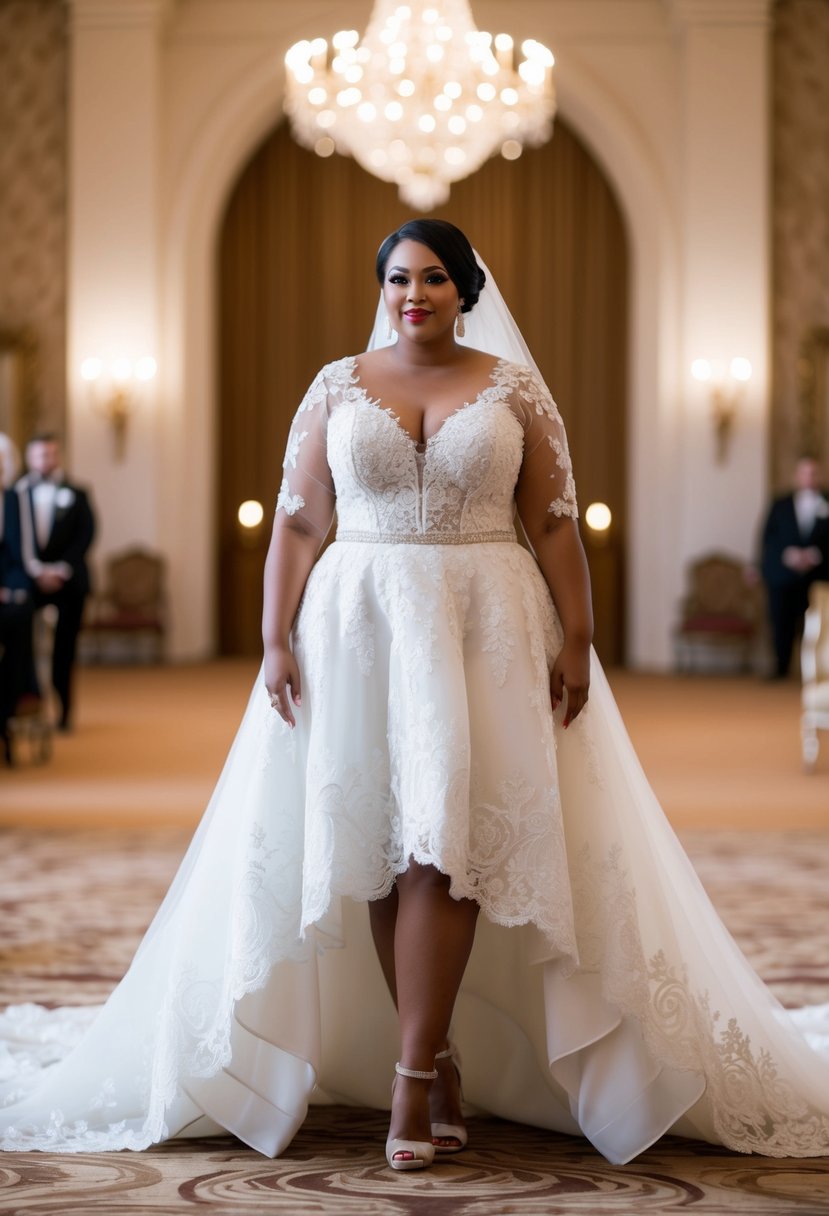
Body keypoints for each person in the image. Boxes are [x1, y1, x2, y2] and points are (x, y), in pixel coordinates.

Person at [2, 221, 829, 1167]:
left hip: (486, 628)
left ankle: (411, 1081)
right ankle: (430, 1054)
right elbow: (299, 520)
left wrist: (580, 637)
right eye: (399, 277)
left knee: (450, 849)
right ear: (382, 287)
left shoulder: (514, 389)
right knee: (381, 846)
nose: (415, 293)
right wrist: (274, 636)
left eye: (435, 278)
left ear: (463, 289)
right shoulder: (333, 385)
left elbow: (553, 525)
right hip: (358, 631)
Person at [15, 433, 95, 729]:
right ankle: (28, 703)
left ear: (57, 456)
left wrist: (61, 568)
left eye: (50, 455)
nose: (45, 460)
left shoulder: (77, 492)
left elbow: (86, 534)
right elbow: (14, 539)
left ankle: (65, 710)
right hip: (30, 581)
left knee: (65, 649)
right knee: (22, 642)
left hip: (69, 582)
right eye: (39, 455)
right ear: (29, 458)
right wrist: (37, 571)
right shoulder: (16, 492)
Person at [760, 455, 829, 678]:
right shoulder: (780, 504)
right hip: (783, 576)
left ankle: (813, 671)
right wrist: (788, 555)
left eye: (813, 473)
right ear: (797, 476)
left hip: (819, 575)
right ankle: (780, 669)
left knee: (816, 625)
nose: (809, 477)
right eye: (804, 473)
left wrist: (815, 555)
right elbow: (767, 538)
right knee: (781, 622)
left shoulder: (827, 502)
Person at [0, 485, 34, 763]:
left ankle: (7, 714)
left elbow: (22, 553)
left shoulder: (13, 499)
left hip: (9, 598)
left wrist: (12, 591)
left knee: (19, 623)